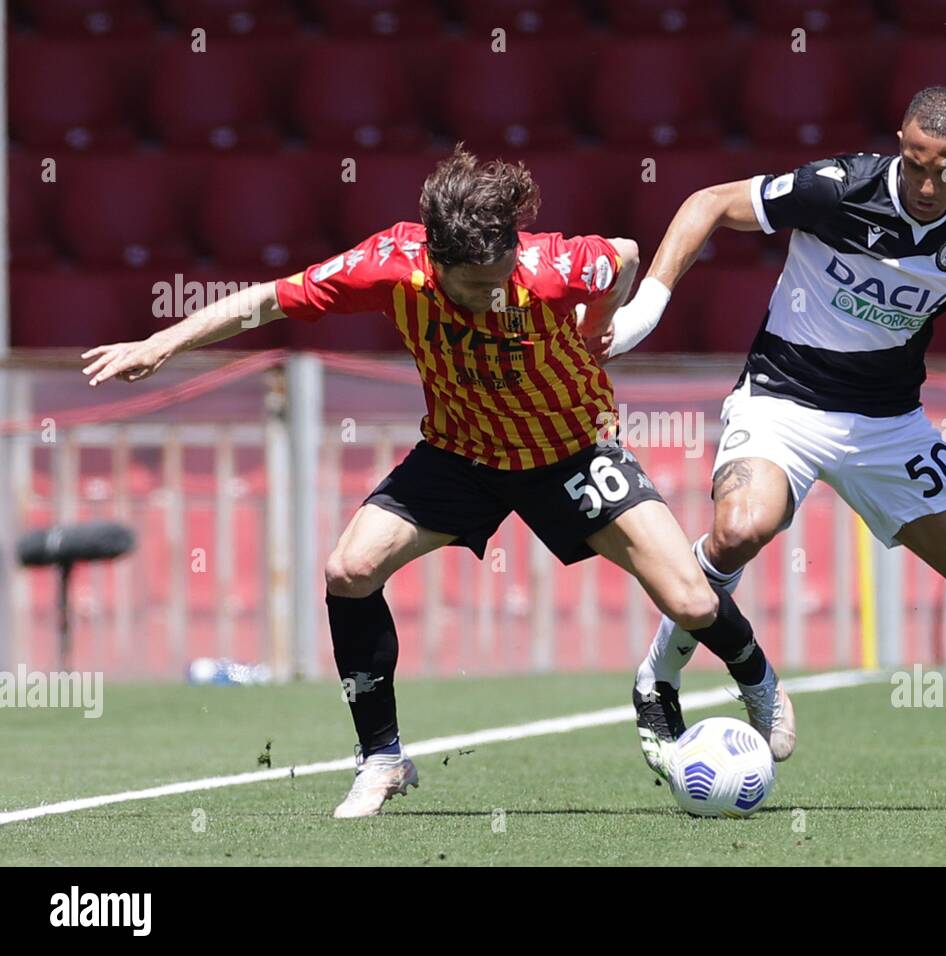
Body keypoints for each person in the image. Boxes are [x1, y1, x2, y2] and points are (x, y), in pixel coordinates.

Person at [80, 145, 784, 818]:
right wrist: (162, 342)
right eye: (476, 288)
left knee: (692, 598)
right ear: (435, 263)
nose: (494, 294)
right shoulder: (388, 265)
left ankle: (756, 679)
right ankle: (381, 757)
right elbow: (267, 300)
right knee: (349, 568)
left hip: (567, 449)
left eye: (502, 277)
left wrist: (598, 328)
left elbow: (625, 258)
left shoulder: (549, 266)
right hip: (462, 454)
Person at [604, 87, 946, 811]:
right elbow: (706, 202)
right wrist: (645, 310)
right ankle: (659, 678)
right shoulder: (837, 188)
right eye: (914, 161)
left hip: (889, 424)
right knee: (739, 528)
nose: (925, 182)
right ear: (899, 145)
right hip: (784, 399)